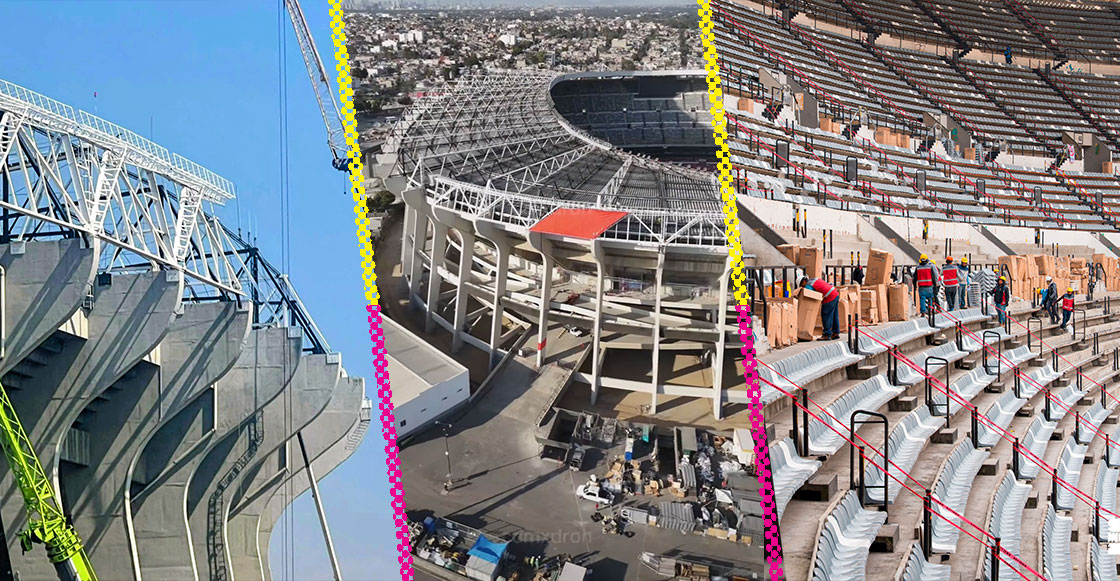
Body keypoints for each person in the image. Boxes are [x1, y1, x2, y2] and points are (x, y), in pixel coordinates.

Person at [800, 276, 840, 340]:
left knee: (826, 315)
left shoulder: (808, 285)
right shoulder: (814, 279)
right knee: (835, 315)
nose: (802, 287)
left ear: (804, 281)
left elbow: (809, 295)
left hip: (829, 296)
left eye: (801, 285)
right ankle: (835, 333)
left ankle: (827, 334)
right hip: (835, 293)